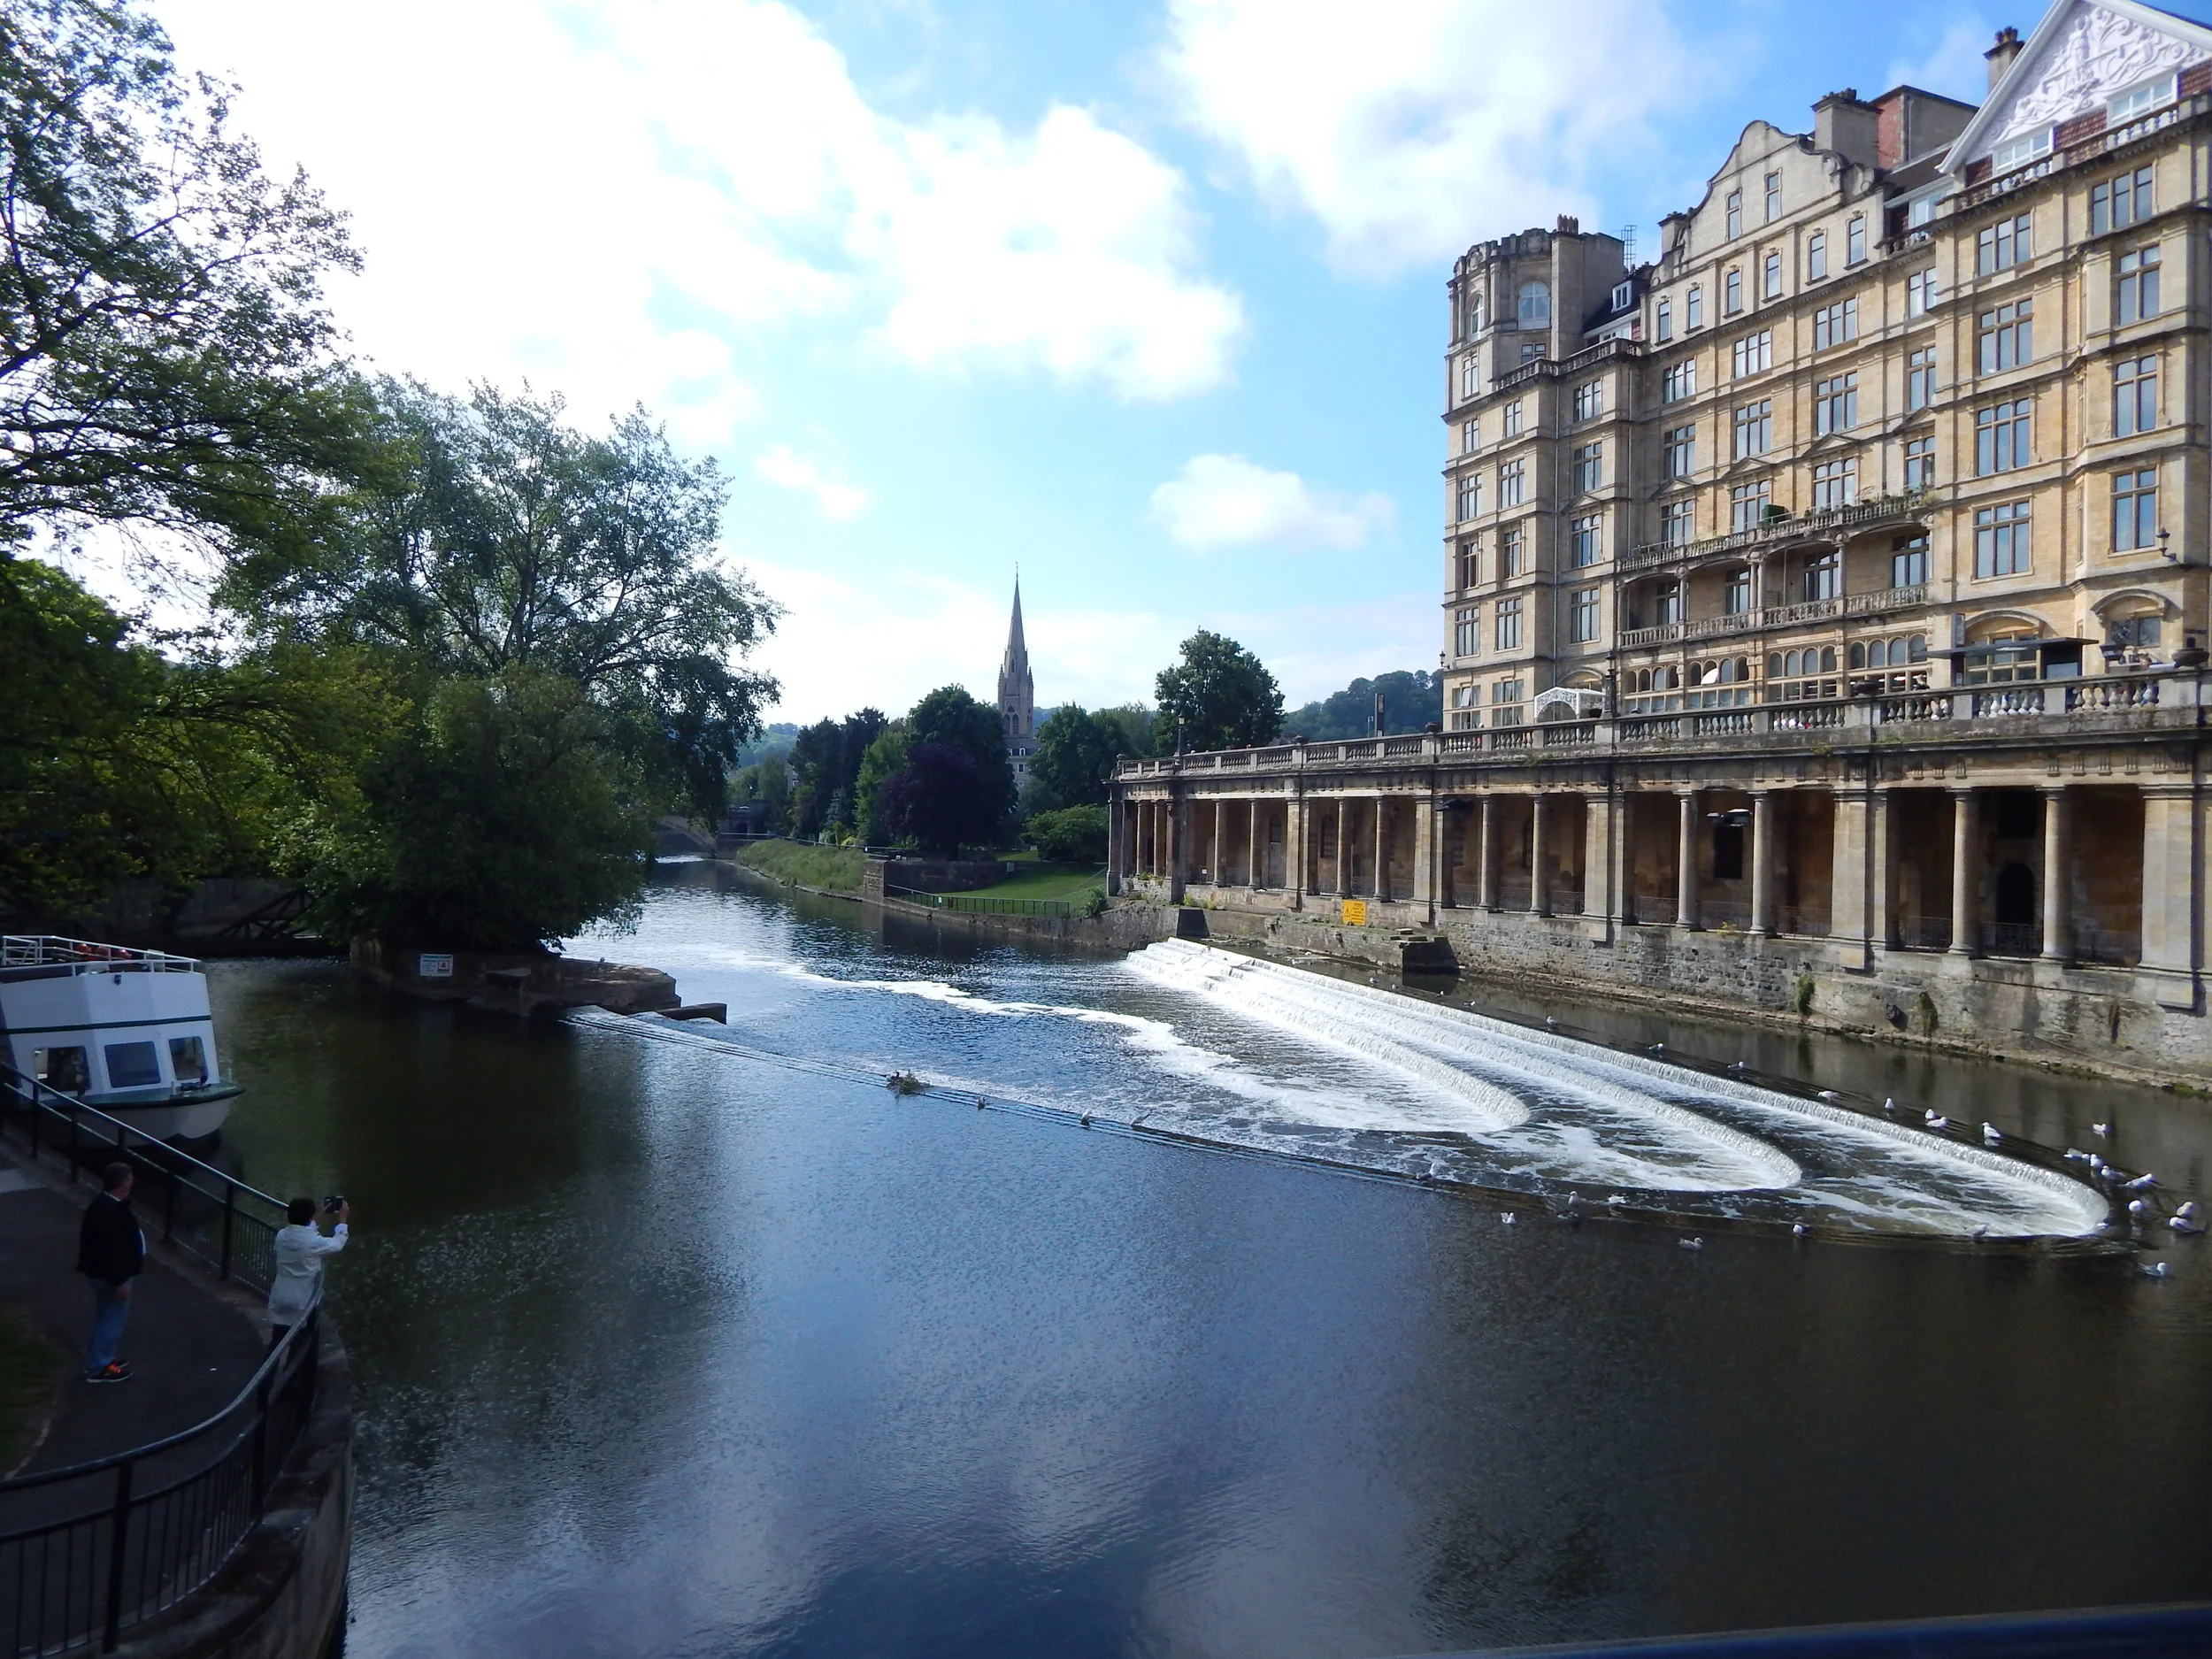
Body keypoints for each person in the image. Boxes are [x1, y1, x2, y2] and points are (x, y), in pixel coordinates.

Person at [77, 1162, 144, 1384]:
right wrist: (120, 1281)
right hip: (111, 1277)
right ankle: (100, 1367)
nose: (132, 1181)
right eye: (129, 1178)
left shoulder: (104, 1206)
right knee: (111, 1320)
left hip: (102, 1274)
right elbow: (111, 1252)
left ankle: (104, 1357)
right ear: (122, 1183)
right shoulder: (110, 1212)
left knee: (106, 1317)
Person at [267, 1197, 349, 1347]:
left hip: (281, 1295)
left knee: (277, 1341)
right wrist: (342, 1220)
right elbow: (337, 1244)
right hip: (304, 1300)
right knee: (302, 1345)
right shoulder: (314, 1242)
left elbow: (301, 1234)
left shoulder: (281, 1236)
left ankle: (270, 1369)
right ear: (310, 1216)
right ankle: (297, 1370)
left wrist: (316, 1218)